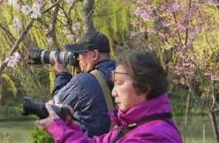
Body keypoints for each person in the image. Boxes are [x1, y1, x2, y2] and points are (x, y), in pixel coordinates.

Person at [36, 50, 183, 143]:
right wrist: (68, 124)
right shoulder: (132, 127)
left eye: (119, 83)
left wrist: (58, 129)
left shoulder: (154, 136)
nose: (114, 92)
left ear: (145, 87)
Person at [51, 30, 116, 137]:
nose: (77, 58)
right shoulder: (124, 73)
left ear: (94, 54)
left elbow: (54, 106)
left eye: (80, 54)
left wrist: (62, 75)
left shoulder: (83, 81)